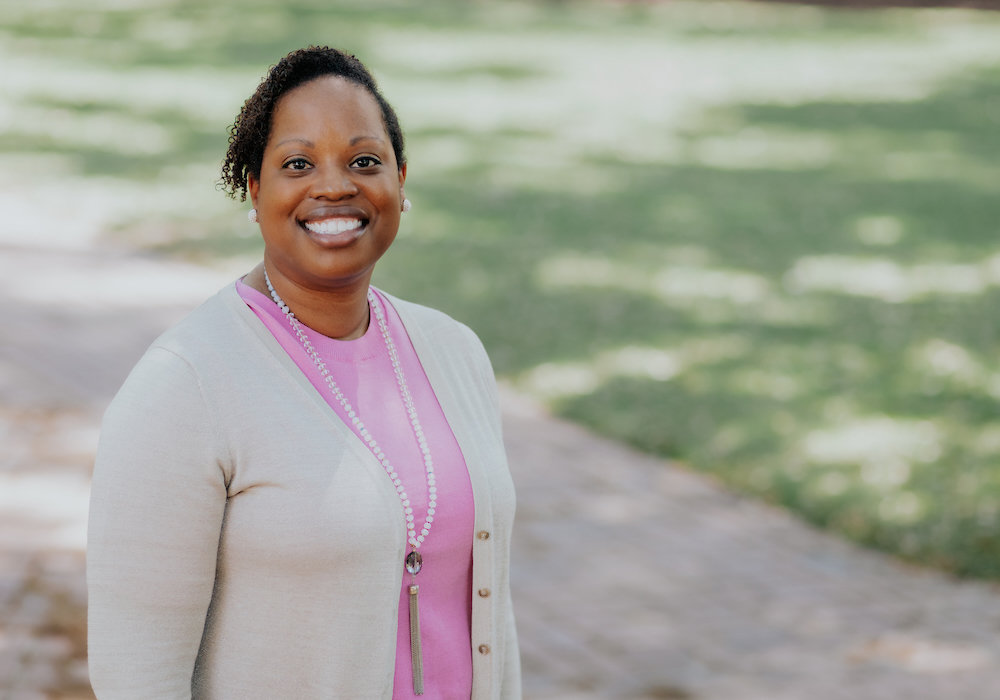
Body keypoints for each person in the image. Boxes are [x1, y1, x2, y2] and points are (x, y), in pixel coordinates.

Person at [86, 46, 520, 700]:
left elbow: (487, 613)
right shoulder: (185, 384)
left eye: (364, 161)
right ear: (255, 190)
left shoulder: (454, 352)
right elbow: (135, 674)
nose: (335, 186)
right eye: (297, 164)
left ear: (401, 180)